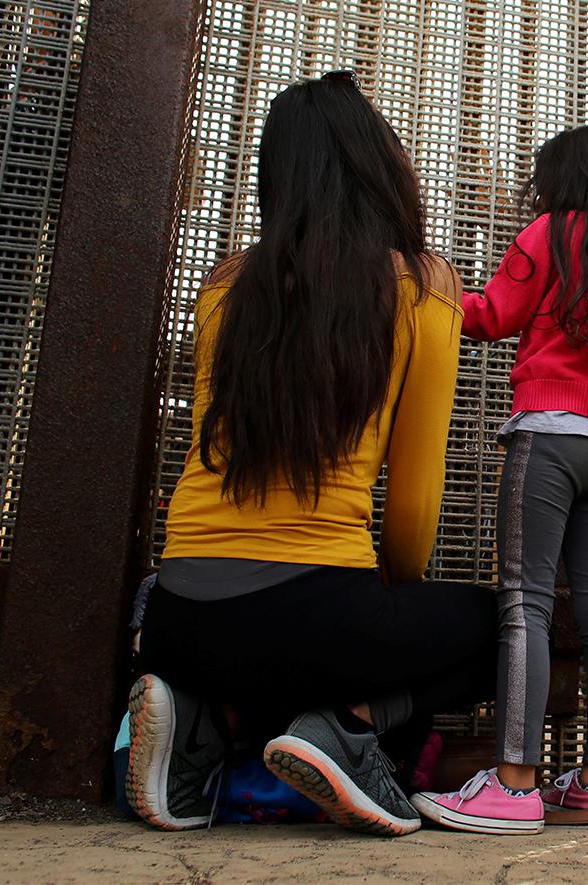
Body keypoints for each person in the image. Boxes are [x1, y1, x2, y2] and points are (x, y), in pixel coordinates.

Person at [127, 72, 495, 838]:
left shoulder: (225, 284)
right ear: (375, 162)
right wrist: (381, 639)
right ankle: (344, 727)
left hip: (178, 615)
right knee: (505, 630)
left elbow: (202, 451)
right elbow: (415, 502)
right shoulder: (423, 287)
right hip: (315, 611)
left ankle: (201, 721)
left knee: (278, 652)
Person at [411, 125, 588, 834]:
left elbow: (491, 314)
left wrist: (433, 284)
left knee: (526, 604)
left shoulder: (550, 233)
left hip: (548, 438)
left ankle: (514, 784)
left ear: (567, 176)